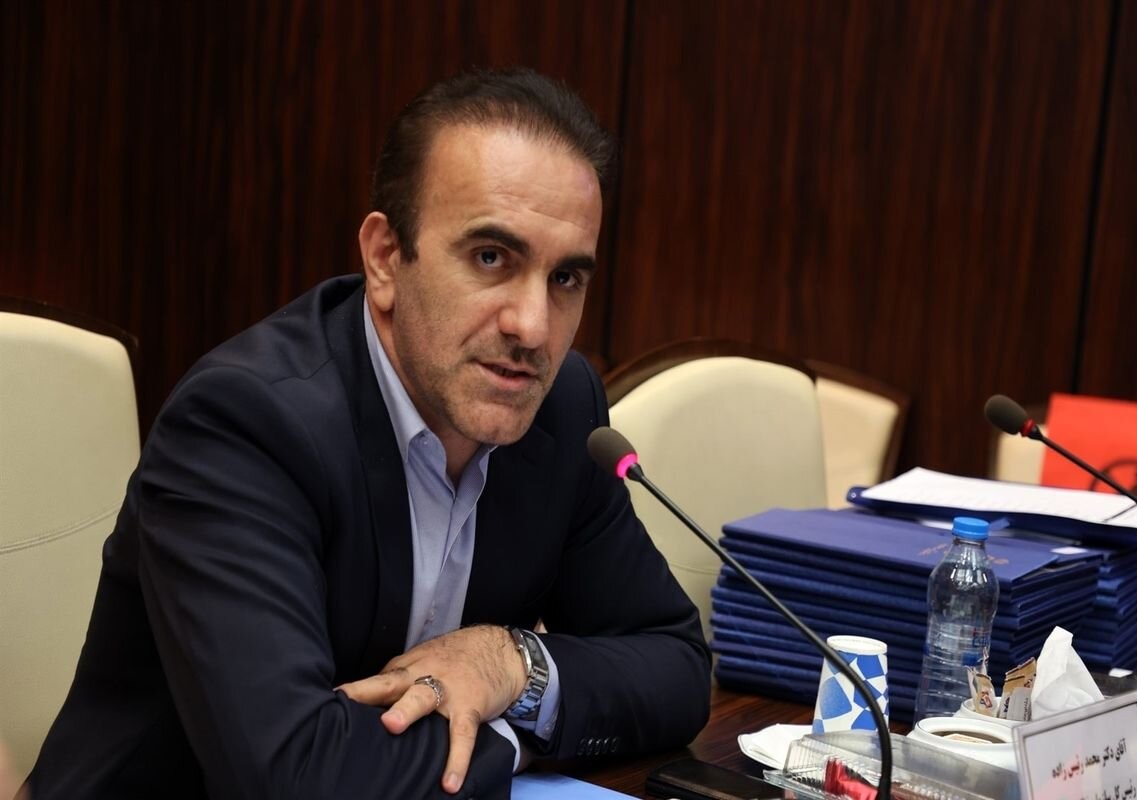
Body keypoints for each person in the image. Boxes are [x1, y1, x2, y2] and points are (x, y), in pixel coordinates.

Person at [27, 68, 710, 799]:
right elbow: (298, 779)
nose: (533, 327)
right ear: (385, 258)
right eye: (491, 258)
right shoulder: (242, 425)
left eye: (566, 278)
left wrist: (511, 664)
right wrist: (509, 732)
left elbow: (674, 667)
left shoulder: (561, 407)